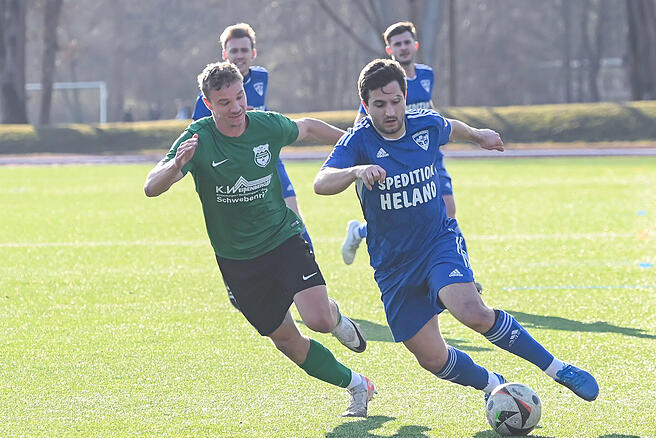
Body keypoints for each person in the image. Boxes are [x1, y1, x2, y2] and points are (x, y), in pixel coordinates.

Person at [314, 59, 598, 406]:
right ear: (365, 105)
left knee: (472, 311)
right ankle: (494, 384)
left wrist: (479, 135)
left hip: (437, 243)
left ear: (405, 96)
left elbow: (452, 127)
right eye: (379, 104)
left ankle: (558, 368)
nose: (390, 111)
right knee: (432, 359)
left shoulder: (425, 125)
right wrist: (356, 171)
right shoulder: (358, 141)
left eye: (396, 101)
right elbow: (321, 182)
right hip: (393, 267)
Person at [145, 61, 376, 417]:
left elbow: (310, 127)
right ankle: (358, 385)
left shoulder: (266, 125)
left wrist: (363, 144)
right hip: (237, 260)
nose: (236, 107)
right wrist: (177, 165)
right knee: (286, 341)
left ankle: (336, 319)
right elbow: (151, 186)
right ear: (208, 104)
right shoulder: (198, 138)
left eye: (240, 97)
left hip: (282, 238)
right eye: (224, 103)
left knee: (317, 319)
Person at [341, 22, 461, 272]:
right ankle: (362, 231)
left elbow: (430, 109)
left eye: (407, 42)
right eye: (398, 44)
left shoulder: (426, 74)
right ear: (389, 49)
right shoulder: (385, 82)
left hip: (429, 157)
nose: (404, 48)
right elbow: (362, 119)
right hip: (397, 157)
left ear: (415, 45)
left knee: (448, 211)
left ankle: (457, 270)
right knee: (400, 216)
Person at [191, 23, 314, 250]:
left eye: (244, 50)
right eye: (234, 51)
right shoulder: (207, 97)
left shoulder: (261, 77)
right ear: (224, 55)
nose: (239, 56)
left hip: (266, 156)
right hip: (235, 166)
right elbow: (198, 135)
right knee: (250, 224)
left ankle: (308, 267)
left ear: (253, 53)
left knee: (293, 214)